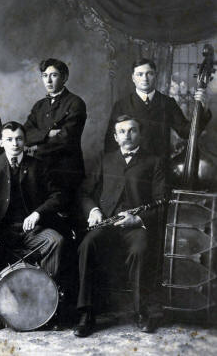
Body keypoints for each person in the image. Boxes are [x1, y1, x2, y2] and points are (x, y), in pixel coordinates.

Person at [0, 121, 67, 331]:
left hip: (32, 231)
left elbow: (57, 196)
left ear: (25, 141)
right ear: (2, 142)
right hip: (1, 232)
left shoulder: (38, 166)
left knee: (55, 240)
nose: (15, 143)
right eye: (10, 139)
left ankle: (47, 304)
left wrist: (37, 213)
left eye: (19, 139)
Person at [74, 115, 166, 337]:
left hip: (136, 227)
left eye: (132, 130)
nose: (127, 135)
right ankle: (87, 313)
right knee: (87, 245)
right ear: (115, 137)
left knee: (140, 249)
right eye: (122, 131)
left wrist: (138, 219)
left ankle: (142, 311)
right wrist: (94, 211)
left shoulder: (154, 162)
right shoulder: (105, 159)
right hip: (107, 223)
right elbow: (84, 193)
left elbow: (163, 202)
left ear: (140, 135)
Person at [104, 58, 210, 180]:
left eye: (149, 73)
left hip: (160, 171)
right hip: (131, 171)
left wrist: (204, 111)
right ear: (133, 78)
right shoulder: (122, 105)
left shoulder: (167, 103)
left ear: (156, 76)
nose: (145, 78)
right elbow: (111, 142)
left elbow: (186, 132)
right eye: (140, 74)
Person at [24, 58, 86, 193]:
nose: (48, 81)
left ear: (64, 77)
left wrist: (34, 148)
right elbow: (25, 132)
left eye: (54, 75)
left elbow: (66, 140)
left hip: (66, 172)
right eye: (45, 76)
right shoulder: (39, 105)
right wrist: (47, 134)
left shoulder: (75, 103)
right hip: (40, 170)